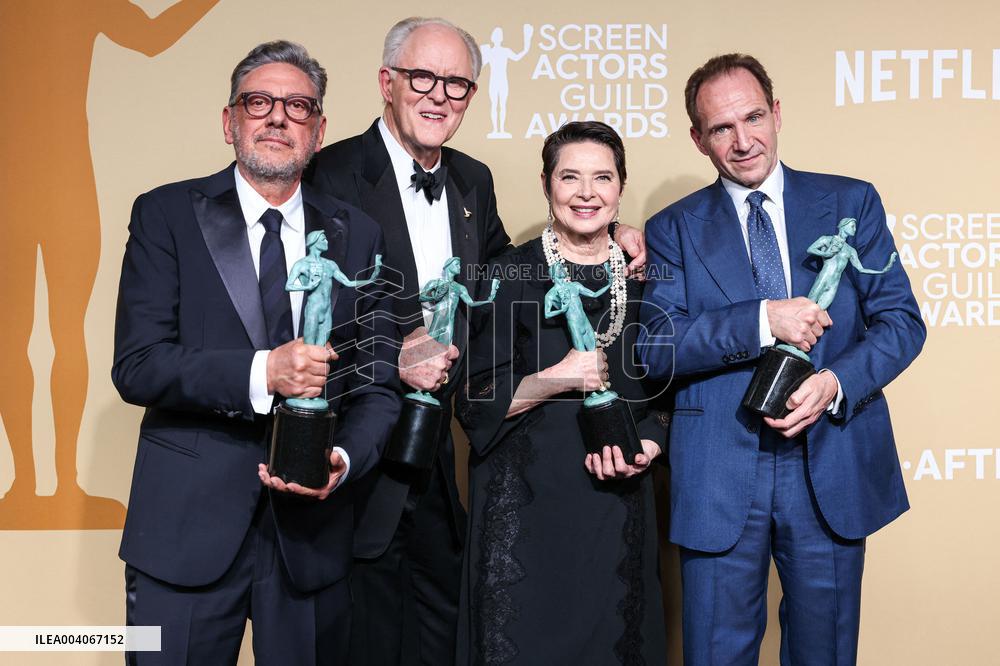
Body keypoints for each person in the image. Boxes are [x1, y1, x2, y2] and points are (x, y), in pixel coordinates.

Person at [306, 17, 649, 666]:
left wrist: (611, 232)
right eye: (422, 77)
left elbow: (507, 278)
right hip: (355, 451)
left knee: (443, 636)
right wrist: (393, 350)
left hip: (443, 454)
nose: (439, 96)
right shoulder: (330, 171)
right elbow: (303, 297)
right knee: (358, 639)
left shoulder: (472, 179)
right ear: (386, 81)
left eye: (456, 84)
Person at [111, 40, 400, 665]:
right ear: (229, 121)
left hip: (312, 539)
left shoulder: (358, 234)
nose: (277, 118)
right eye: (259, 102)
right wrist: (264, 371)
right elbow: (138, 364)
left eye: (298, 106)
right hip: (184, 532)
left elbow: (378, 383)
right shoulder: (165, 214)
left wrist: (343, 460)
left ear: (318, 131)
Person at [637, 53, 926, 665]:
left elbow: (901, 322)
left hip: (829, 463)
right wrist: (762, 319)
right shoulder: (672, 227)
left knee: (825, 654)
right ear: (698, 139)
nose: (743, 141)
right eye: (721, 128)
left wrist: (835, 382)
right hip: (719, 468)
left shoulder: (851, 202)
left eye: (753, 117)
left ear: (776, 113)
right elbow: (656, 347)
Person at [457, 121, 668, 665]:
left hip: (618, 500)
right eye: (569, 177)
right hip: (526, 510)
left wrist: (651, 444)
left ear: (621, 186)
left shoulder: (646, 275)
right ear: (546, 184)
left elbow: (668, 391)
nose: (586, 193)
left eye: (603, 177)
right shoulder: (508, 273)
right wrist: (562, 375)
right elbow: (474, 399)